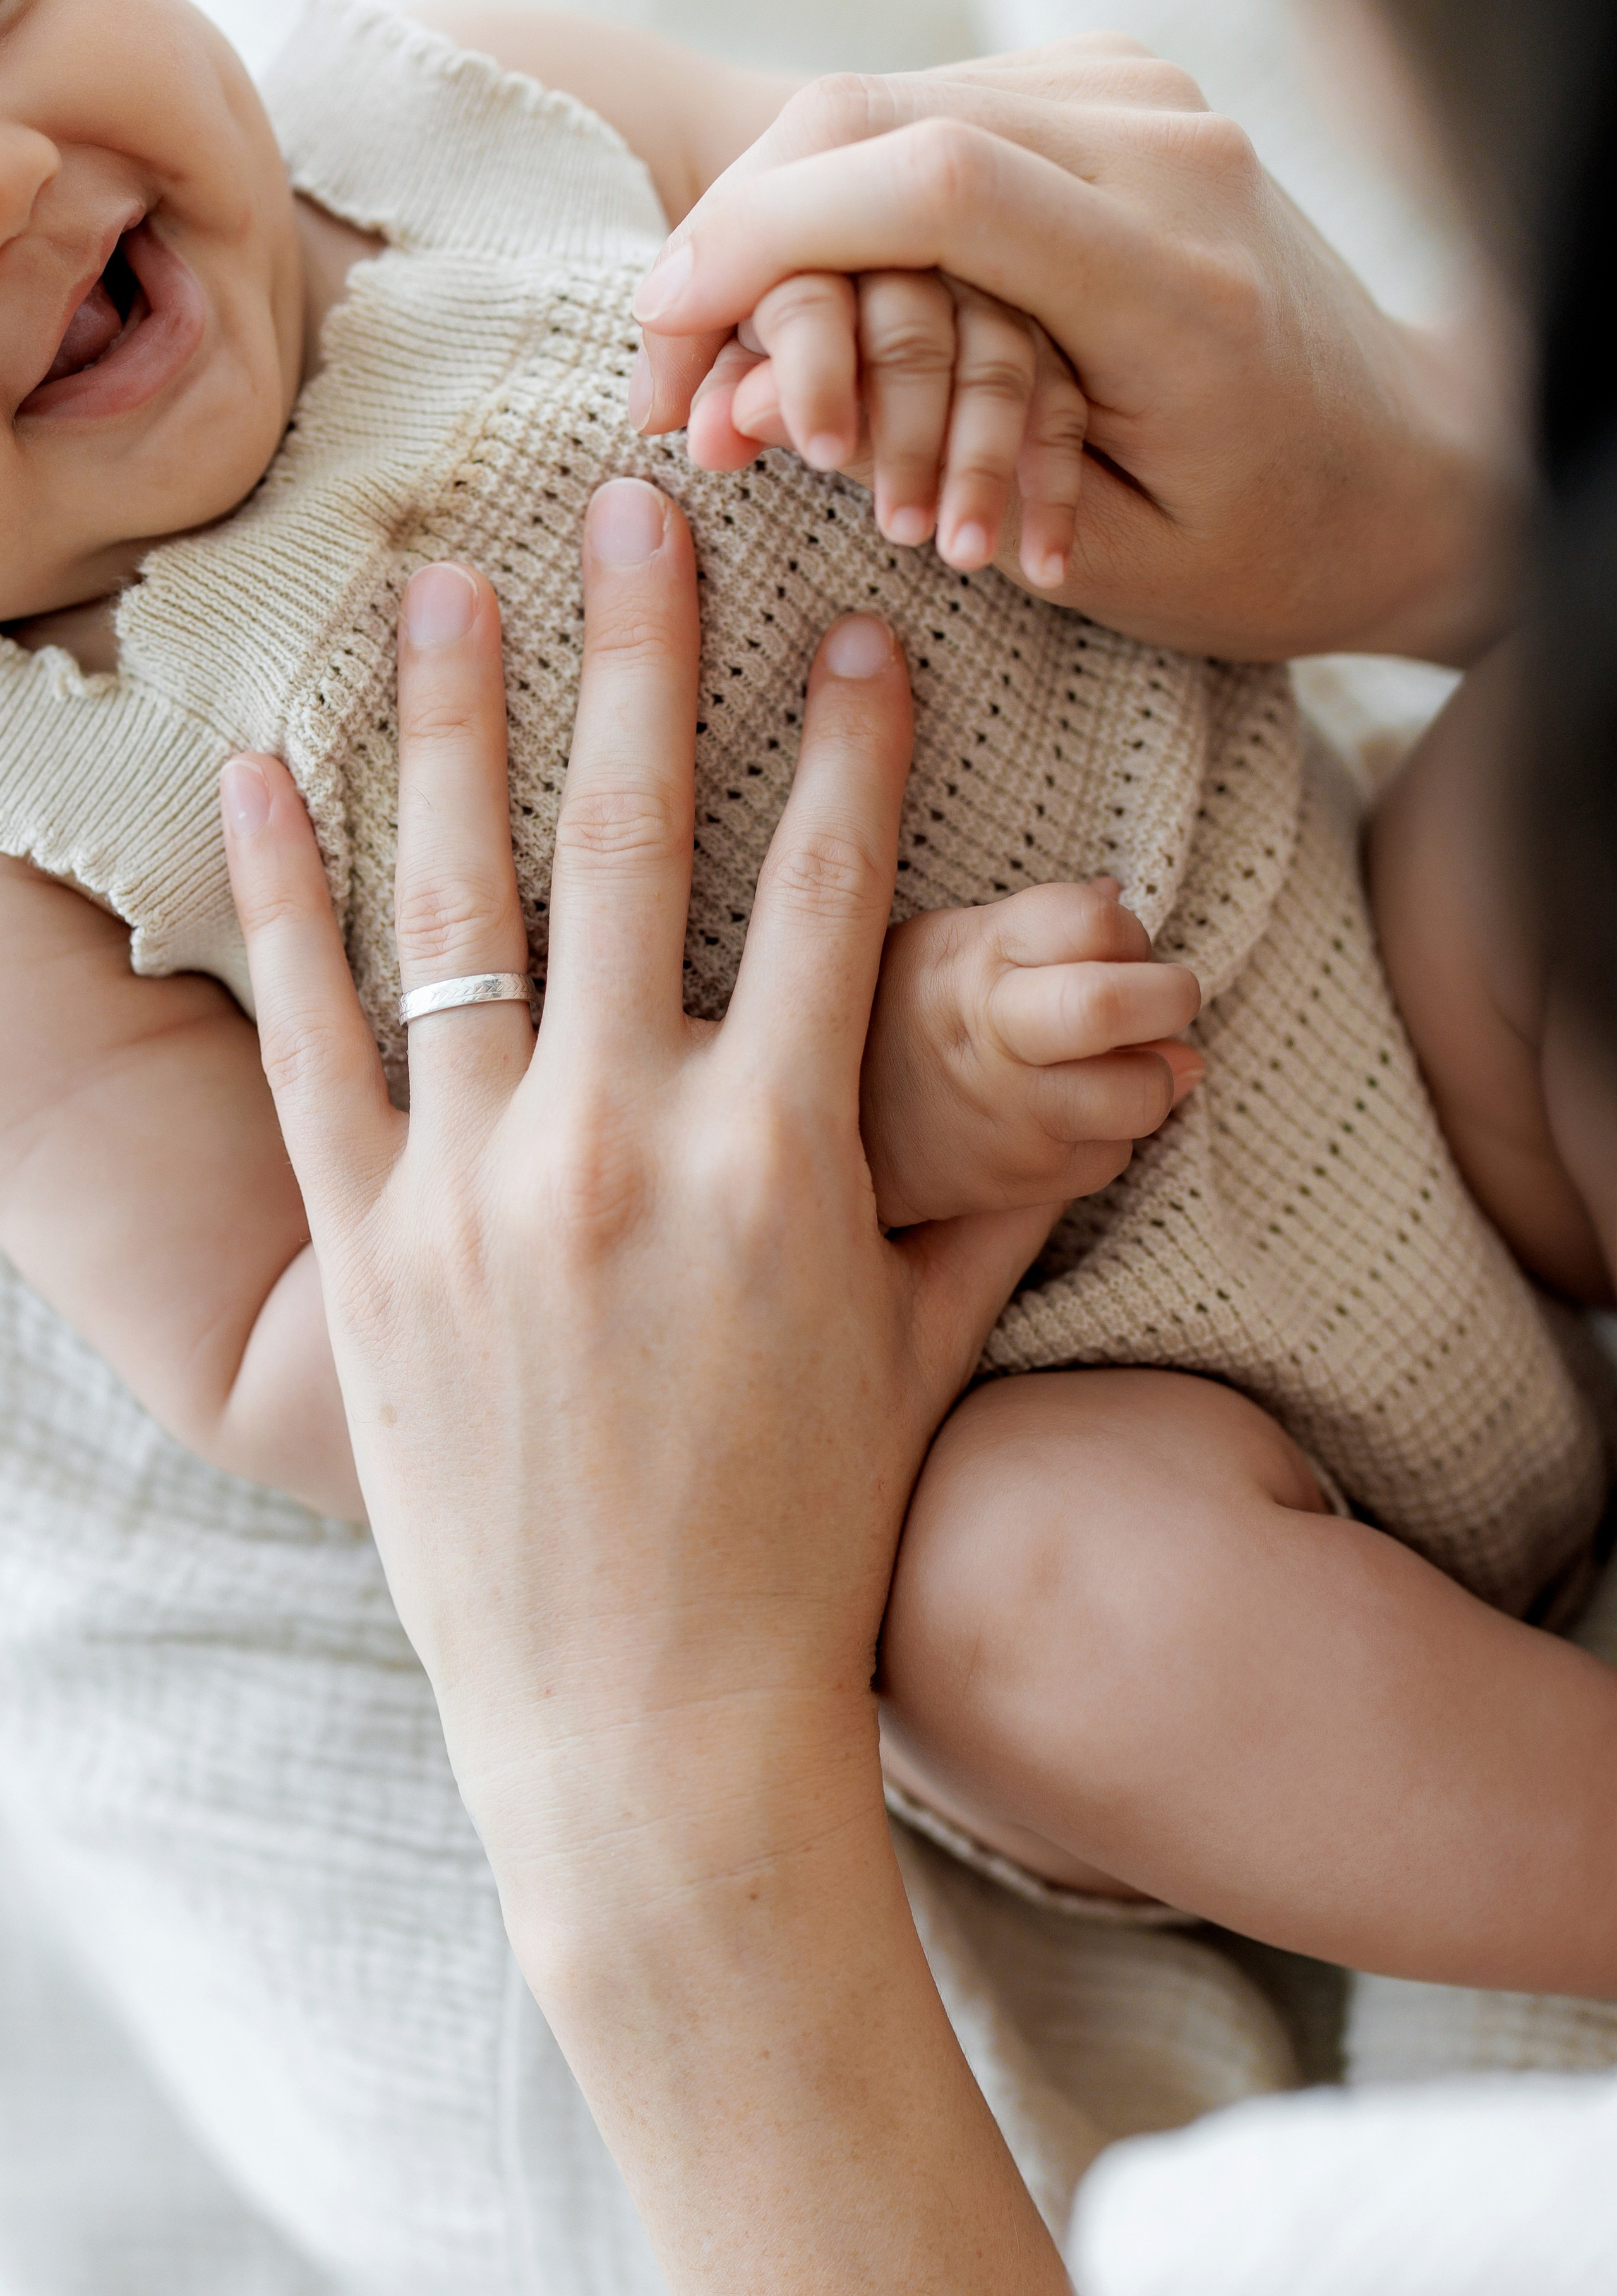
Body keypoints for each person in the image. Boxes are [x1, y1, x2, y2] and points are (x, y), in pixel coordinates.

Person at [2, 0, 1616, 2000]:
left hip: (1376, 965)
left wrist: (951, 342)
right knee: (1032, 1624)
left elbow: (903, 214)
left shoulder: (443, 109)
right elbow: (289, 1349)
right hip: (1064, 1417)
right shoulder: (32, 837)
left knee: (1567, 777)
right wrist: (868, 1113)